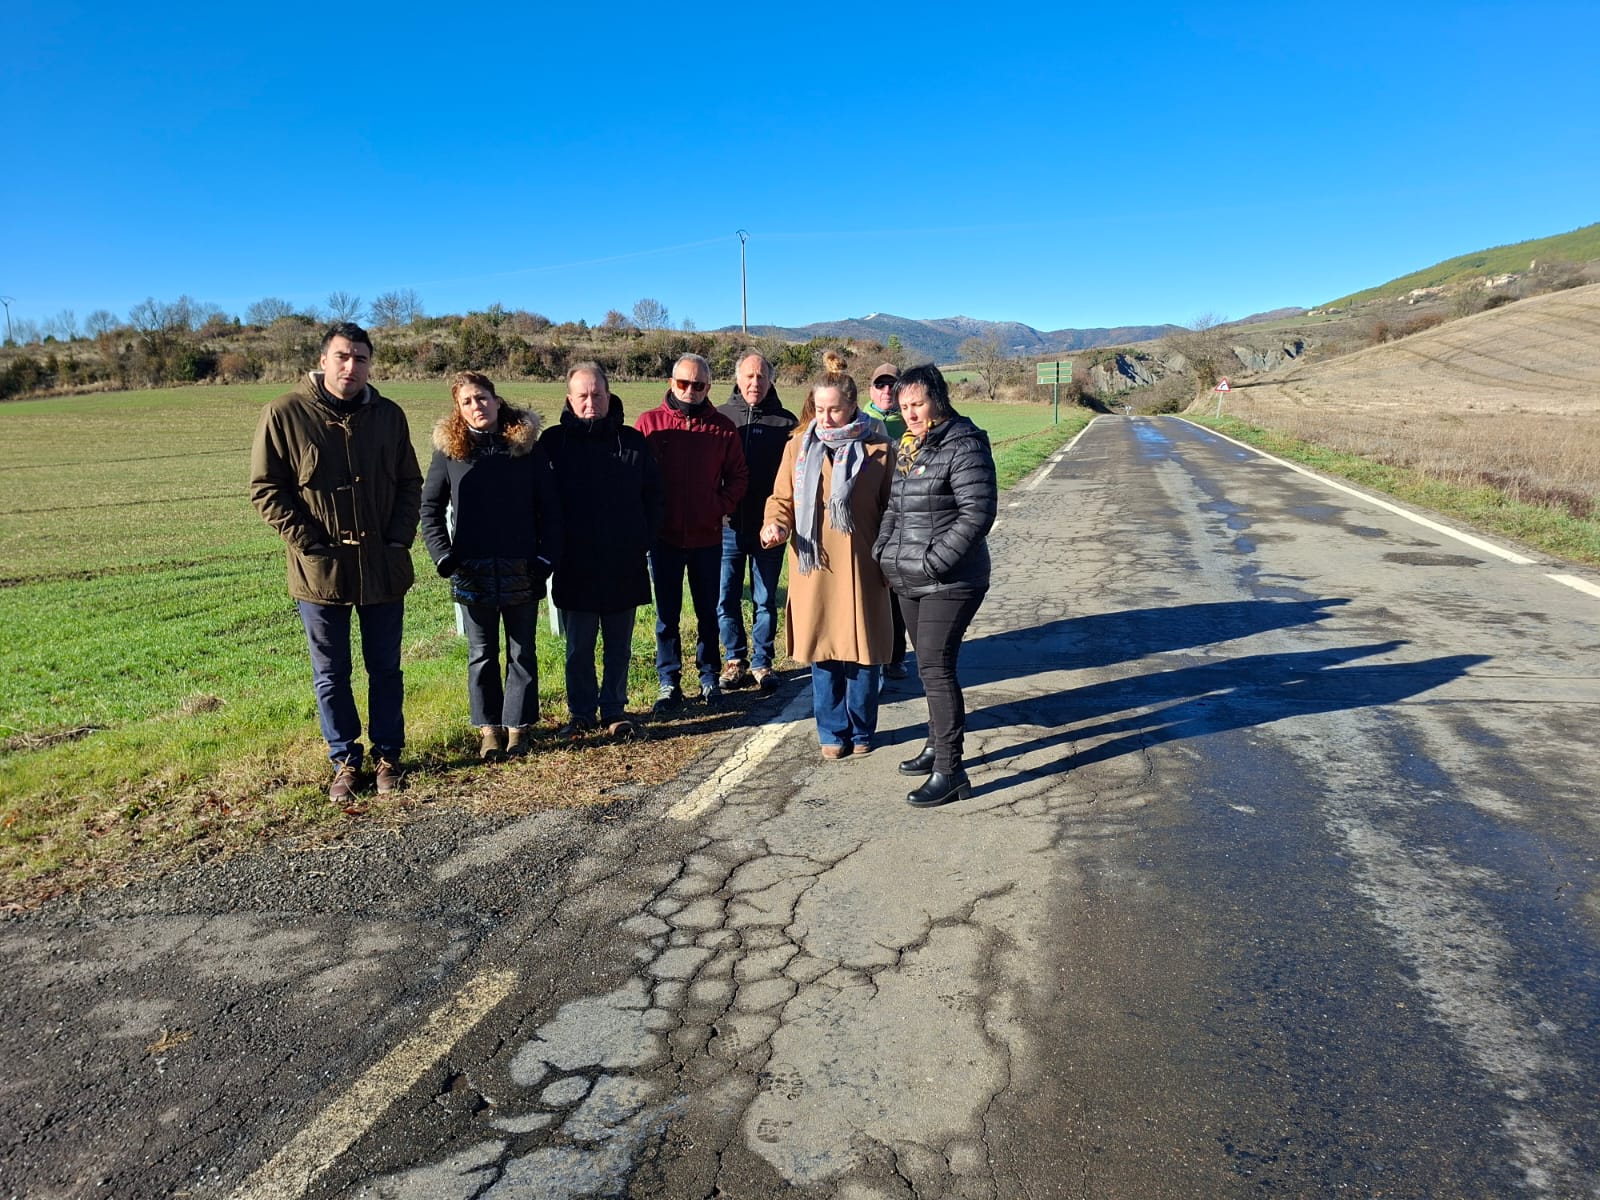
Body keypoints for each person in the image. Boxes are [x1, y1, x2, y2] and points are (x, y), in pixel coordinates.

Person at [249, 322, 422, 801]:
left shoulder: (388, 415)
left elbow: (410, 482)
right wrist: (308, 542)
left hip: (382, 566)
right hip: (320, 571)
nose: (351, 366)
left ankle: (389, 755)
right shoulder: (284, 413)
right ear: (323, 360)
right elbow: (266, 489)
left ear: (370, 365)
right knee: (331, 674)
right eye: (343, 356)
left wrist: (397, 540)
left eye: (360, 358)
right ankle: (345, 760)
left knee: (385, 669)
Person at [420, 372, 563, 760]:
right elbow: (430, 509)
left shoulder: (526, 448)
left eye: (482, 398)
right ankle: (489, 731)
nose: (476, 406)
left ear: (497, 401)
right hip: (472, 572)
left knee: (522, 652)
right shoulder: (450, 452)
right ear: (458, 409)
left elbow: (551, 510)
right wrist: (444, 556)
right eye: (466, 401)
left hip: (523, 568)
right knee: (481, 654)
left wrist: (546, 558)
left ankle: (518, 729)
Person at [872, 363, 997, 807]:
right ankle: (935, 744)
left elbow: (977, 514)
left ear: (938, 400)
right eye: (904, 406)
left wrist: (933, 563)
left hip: (953, 579)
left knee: (936, 667)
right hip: (909, 576)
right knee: (929, 668)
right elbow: (894, 508)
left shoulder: (965, 444)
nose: (910, 413)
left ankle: (951, 770)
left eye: (918, 404)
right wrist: (883, 552)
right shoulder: (910, 446)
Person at [761, 354, 895, 758]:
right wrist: (775, 524)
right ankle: (832, 732)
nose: (826, 418)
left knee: (864, 653)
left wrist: (891, 554)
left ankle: (862, 728)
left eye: (834, 409)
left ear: (852, 406)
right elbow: (781, 499)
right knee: (823, 651)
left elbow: (894, 508)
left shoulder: (879, 448)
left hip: (864, 564)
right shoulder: (798, 448)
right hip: (814, 564)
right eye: (819, 409)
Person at [539, 362, 663, 740]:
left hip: (623, 562)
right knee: (578, 647)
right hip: (574, 563)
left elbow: (654, 499)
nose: (590, 402)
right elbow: (539, 502)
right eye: (583, 396)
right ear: (569, 399)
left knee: (618, 646)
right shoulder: (553, 443)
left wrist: (641, 540)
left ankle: (614, 709)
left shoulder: (632, 442)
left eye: (597, 395)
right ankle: (580, 713)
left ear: (609, 396)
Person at [636, 354, 748, 714]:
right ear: (671, 383)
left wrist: (717, 506)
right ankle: (668, 680)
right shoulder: (649, 424)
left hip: (707, 538)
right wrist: (649, 519)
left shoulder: (722, 428)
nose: (690, 391)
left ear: (708, 387)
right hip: (664, 538)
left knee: (707, 613)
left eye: (698, 385)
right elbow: (636, 479)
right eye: (683, 383)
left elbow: (739, 476)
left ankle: (709, 676)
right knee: (666, 616)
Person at [717, 350, 798, 693]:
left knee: (764, 600)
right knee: (726, 598)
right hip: (727, 527)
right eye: (749, 376)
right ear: (737, 378)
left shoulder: (787, 423)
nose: (755, 382)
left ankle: (763, 662)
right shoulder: (721, 418)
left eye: (761, 376)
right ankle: (734, 660)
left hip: (770, 529)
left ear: (771, 380)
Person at [861, 361, 909, 679]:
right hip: (870, 516)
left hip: (903, 515)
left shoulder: (911, 420)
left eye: (892, 384)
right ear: (871, 389)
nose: (886, 390)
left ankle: (895, 656)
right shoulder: (860, 421)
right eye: (880, 384)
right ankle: (871, 654)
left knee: (896, 589)